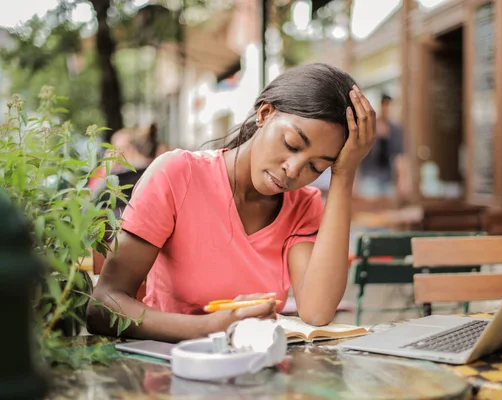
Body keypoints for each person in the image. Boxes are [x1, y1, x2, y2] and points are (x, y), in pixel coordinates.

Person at [86, 63, 377, 342]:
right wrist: (208, 328)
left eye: (316, 167)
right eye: (291, 144)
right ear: (265, 113)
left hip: (254, 375)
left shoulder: (303, 206)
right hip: (165, 373)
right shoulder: (178, 174)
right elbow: (103, 304)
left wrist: (343, 175)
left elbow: (316, 312)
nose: (293, 170)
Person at [356, 94, 403, 198]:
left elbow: (398, 157)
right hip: (370, 176)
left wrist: (401, 180)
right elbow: (360, 154)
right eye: (384, 106)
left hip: (388, 178)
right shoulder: (370, 126)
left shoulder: (396, 130)